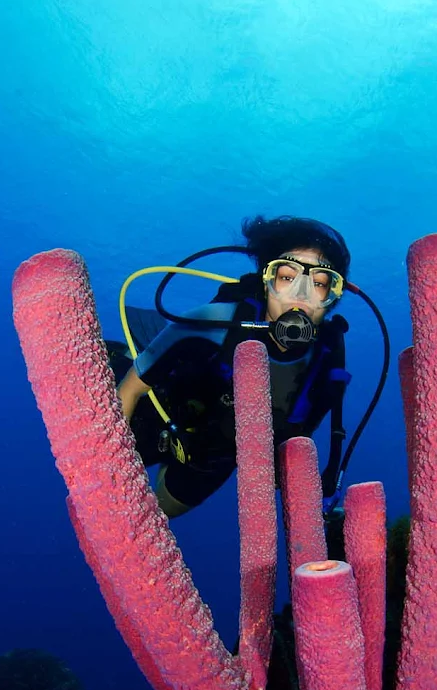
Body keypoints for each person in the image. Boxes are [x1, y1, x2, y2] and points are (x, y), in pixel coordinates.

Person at [113, 215, 352, 518]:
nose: (301, 295)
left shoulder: (325, 364)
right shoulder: (213, 321)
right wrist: (110, 465)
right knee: (109, 494)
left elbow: (294, 445)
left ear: (332, 296)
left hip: (212, 458)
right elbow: (132, 388)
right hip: (159, 410)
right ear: (267, 283)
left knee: (153, 516)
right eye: (287, 277)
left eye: (319, 283)